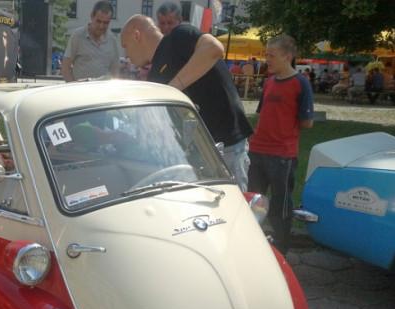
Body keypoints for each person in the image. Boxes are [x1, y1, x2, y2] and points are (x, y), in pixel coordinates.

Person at [121, 15, 253, 191]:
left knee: (233, 212)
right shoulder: (155, 75)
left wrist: (172, 90)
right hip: (196, 155)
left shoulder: (179, 36)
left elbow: (213, 48)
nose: (126, 55)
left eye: (125, 46)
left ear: (136, 35)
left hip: (227, 146)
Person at [248, 35, 314, 254]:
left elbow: (307, 122)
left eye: (271, 55)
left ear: (287, 56)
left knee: (280, 207)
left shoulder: (300, 83)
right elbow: (262, 114)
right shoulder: (268, 81)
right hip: (257, 151)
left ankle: (281, 251)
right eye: (266, 54)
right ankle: (253, 248)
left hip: (282, 156)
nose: (267, 59)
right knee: (253, 204)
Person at [61, 1, 119, 82]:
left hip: (103, 92)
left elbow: (115, 72)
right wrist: (72, 88)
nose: (101, 26)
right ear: (92, 16)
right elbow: (65, 67)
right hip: (81, 92)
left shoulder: (112, 40)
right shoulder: (78, 36)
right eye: (98, 21)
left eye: (106, 23)